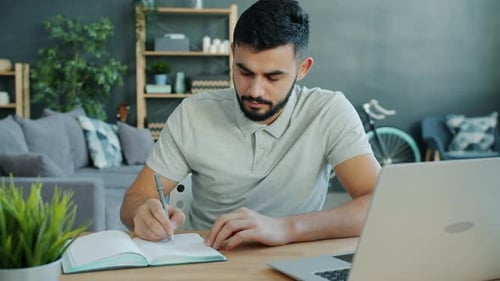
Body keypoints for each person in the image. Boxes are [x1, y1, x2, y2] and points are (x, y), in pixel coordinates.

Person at [120, 0, 381, 250]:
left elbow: (378, 204)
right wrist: (143, 214)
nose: (255, 91)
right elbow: (134, 200)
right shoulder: (193, 113)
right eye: (245, 72)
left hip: (296, 256)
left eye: (273, 76)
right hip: (211, 259)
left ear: (302, 69)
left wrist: (285, 229)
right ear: (233, 54)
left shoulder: (329, 111)